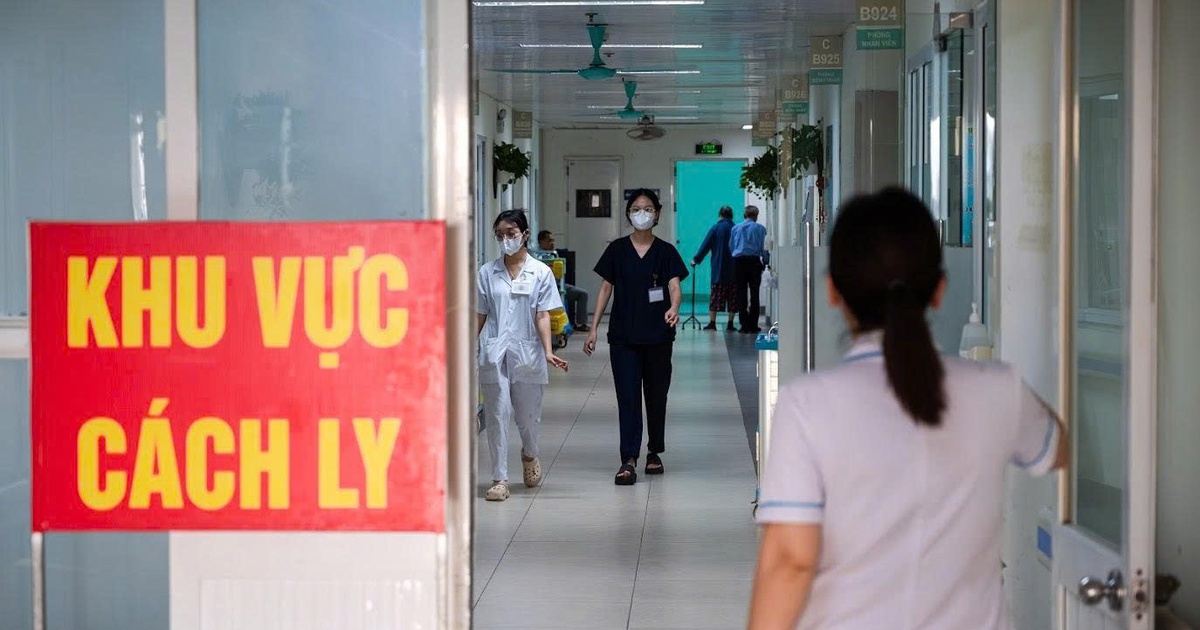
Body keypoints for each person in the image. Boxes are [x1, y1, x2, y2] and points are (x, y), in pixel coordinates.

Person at [747, 188, 1069, 630]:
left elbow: (790, 561)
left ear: (832, 292)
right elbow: (1057, 450)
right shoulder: (998, 391)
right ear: (939, 290)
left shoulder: (808, 405)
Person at [583, 188, 689, 486]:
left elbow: (674, 286)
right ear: (629, 214)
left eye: (648, 209)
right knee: (628, 396)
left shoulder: (666, 251)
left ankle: (654, 451)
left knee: (656, 395)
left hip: (658, 336)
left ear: (657, 214)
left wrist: (674, 308)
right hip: (624, 337)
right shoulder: (617, 249)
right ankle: (628, 458)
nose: (642, 213)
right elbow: (606, 288)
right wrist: (593, 327)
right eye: (636, 209)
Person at [477, 209, 570, 502]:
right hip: (494, 353)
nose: (506, 239)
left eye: (511, 234)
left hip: (528, 353)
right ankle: (499, 479)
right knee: (497, 414)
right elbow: (480, 314)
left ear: (525, 235)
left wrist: (548, 351)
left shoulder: (540, 272)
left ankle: (529, 454)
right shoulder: (486, 273)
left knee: (528, 419)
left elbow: (542, 314)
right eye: (500, 235)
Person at [692, 205, 739, 331]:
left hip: (719, 270)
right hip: (734, 270)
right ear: (731, 216)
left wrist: (696, 260)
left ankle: (712, 323)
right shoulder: (736, 229)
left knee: (715, 297)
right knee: (733, 298)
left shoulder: (715, 228)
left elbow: (705, 246)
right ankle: (730, 324)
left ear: (720, 215)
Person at [535, 230, 591, 332]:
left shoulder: (553, 254)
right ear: (541, 242)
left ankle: (581, 323)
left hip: (559, 285)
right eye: (549, 241)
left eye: (553, 240)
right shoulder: (537, 257)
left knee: (582, 294)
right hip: (547, 288)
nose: (552, 243)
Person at [731, 205, 770, 333]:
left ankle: (744, 325)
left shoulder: (735, 228)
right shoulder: (761, 229)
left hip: (739, 262)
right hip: (754, 262)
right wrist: (766, 262)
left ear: (744, 215)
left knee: (741, 294)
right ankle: (753, 325)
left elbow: (731, 247)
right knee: (755, 294)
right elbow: (764, 248)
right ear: (756, 216)